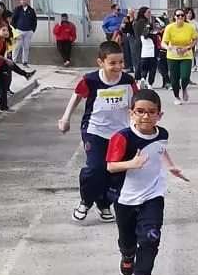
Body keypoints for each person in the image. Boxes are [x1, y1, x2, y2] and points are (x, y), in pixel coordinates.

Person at [105, 89, 189, 275]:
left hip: (153, 194)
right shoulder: (121, 137)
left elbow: (160, 150)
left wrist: (170, 166)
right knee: (128, 241)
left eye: (151, 112)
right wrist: (131, 164)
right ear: (131, 113)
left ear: (159, 115)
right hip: (125, 197)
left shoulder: (162, 134)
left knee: (151, 237)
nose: (145, 116)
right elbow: (111, 166)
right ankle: (127, 255)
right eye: (140, 111)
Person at [57, 42, 139, 221]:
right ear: (100, 62)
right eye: (112, 63)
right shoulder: (91, 80)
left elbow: (136, 104)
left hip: (119, 134)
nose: (118, 67)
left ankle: (104, 204)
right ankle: (85, 201)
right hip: (95, 130)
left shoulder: (128, 81)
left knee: (114, 171)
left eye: (121, 62)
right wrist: (65, 119)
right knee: (96, 168)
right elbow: (76, 96)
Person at [161, 9, 198, 105]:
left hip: (186, 55)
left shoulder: (189, 27)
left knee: (185, 76)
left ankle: (184, 88)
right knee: (174, 78)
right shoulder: (169, 27)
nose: (180, 17)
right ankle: (176, 97)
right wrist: (167, 47)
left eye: (182, 15)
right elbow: (163, 42)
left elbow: (195, 39)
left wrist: (189, 47)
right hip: (173, 55)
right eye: (178, 16)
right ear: (174, 17)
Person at [10, 0, 38, 66]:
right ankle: (13, 61)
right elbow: (13, 19)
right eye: (21, 0)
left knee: (26, 47)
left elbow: (34, 20)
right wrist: (14, 30)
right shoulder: (17, 9)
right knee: (16, 47)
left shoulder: (31, 10)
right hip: (19, 30)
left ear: (27, 1)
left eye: (24, 0)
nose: (22, 1)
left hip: (28, 31)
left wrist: (33, 30)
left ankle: (25, 62)